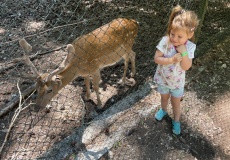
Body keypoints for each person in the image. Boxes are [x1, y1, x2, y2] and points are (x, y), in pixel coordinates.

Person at [153, 5, 199, 135]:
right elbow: (157, 58)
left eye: (180, 36)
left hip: (177, 83)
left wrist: (184, 53)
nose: (174, 39)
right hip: (163, 79)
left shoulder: (189, 47)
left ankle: (177, 120)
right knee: (164, 98)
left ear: (189, 35)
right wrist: (171, 60)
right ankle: (163, 110)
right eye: (173, 34)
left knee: (176, 103)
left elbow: (186, 67)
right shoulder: (165, 41)